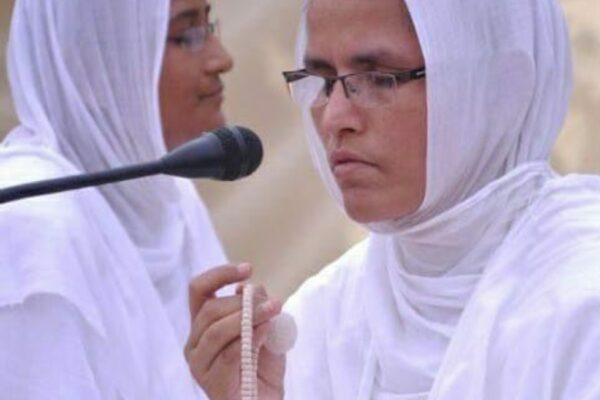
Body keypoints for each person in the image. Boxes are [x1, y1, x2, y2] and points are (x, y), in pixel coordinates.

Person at [187, 0, 600, 398]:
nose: (334, 118)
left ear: (490, 83)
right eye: (322, 80)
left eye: (377, 78)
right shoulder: (324, 319)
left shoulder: (582, 300)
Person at [0, 0, 251, 398]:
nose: (222, 58)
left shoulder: (167, 192)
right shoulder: (31, 228)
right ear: (93, 64)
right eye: (187, 35)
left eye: (209, 27)